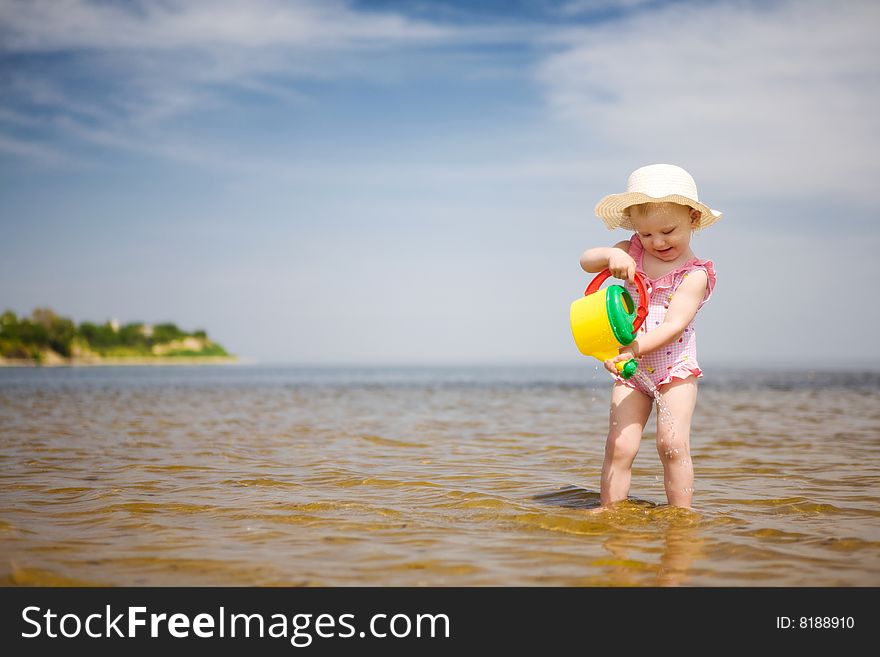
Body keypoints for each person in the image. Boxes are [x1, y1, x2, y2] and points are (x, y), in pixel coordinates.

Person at [579, 163, 721, 509]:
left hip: (675, 370)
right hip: (631, 373)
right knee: (619, 444)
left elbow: (673, 326)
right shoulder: (633, 252)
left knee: (671, 445)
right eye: (646, 234)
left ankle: (681, 514)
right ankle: (610, 509)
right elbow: (586, 261)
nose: (657, 242)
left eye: (668, 231)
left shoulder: (694, 275)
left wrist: (632, 348)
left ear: (693, 219)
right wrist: (613, 254)